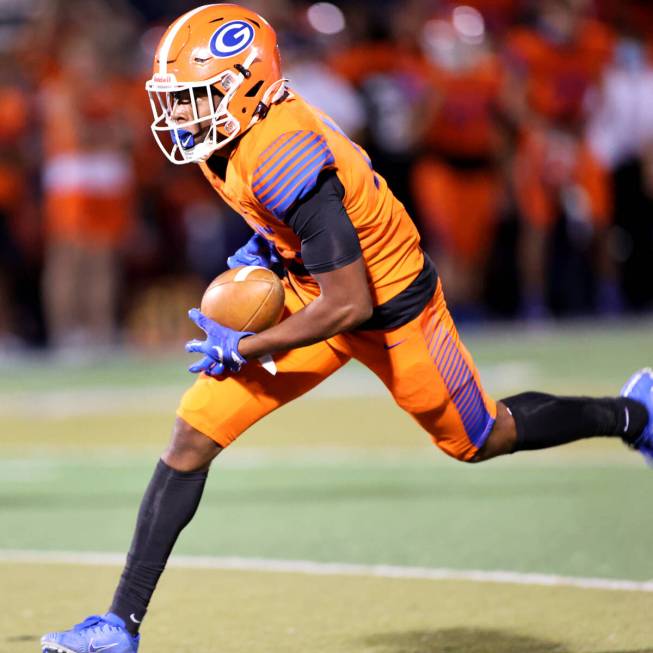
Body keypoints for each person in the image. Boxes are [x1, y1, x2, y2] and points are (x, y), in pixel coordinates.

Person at [41, 5, 653, 653]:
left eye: (195, 97)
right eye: (178, 98)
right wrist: (264, 251)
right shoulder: (228, 134)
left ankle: (633, 412)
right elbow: (287, 227)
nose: (181, 114)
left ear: (245, 88)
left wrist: (245, 343)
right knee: (192, 433)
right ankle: (118, 625)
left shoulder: (282, 154)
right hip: (317, 286)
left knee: (479, 436)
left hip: (389, 307)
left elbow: (349, 304)